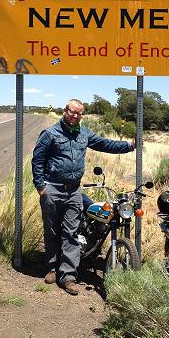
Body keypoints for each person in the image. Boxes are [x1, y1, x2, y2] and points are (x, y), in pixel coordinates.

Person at [31, 99, 135, 295]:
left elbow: (105, 144)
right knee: (52, 230)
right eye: (72, 112)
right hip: (52, 188)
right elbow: (37, 159)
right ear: (65, 111)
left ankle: (68, 276)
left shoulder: (84, 133)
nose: (75, 116)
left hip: (73, 191)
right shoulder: (50, 133)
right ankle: (52, 268)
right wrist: (41, 186)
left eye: (79, 113)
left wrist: (129, 146)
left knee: (71, 232)